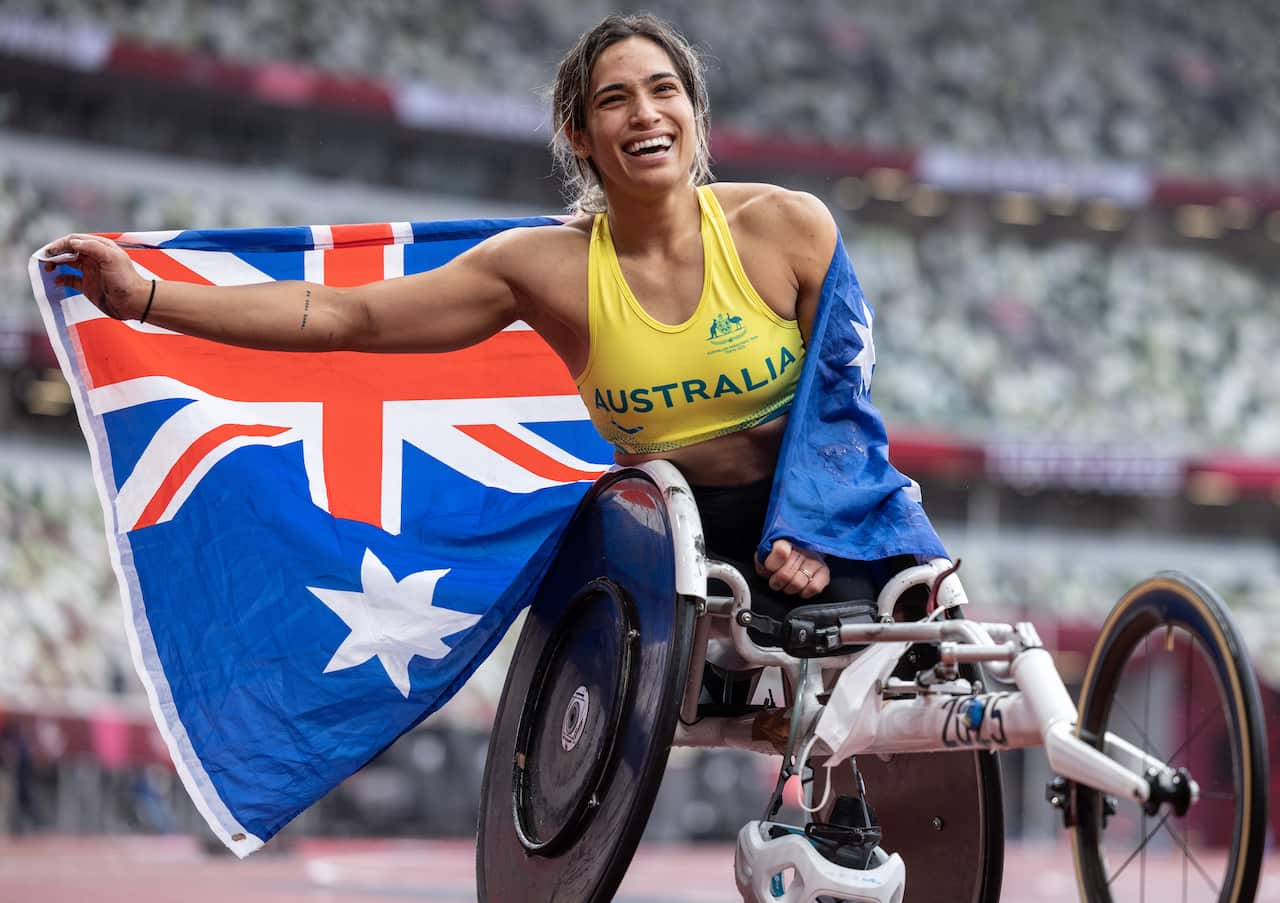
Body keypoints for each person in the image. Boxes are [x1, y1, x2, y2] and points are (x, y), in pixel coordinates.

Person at [43, 13, 892, 616]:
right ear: (578, 137)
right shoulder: (543, 270)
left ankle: (844, 810)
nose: (645, 113)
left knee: (898, 615)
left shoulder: (788, 226)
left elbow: (845, 403)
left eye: (665, 90)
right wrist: (144, 297)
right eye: (615, 100)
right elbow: (345, 315)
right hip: (674, 539)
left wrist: (811, 528)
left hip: (814, 505)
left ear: (695, 118)